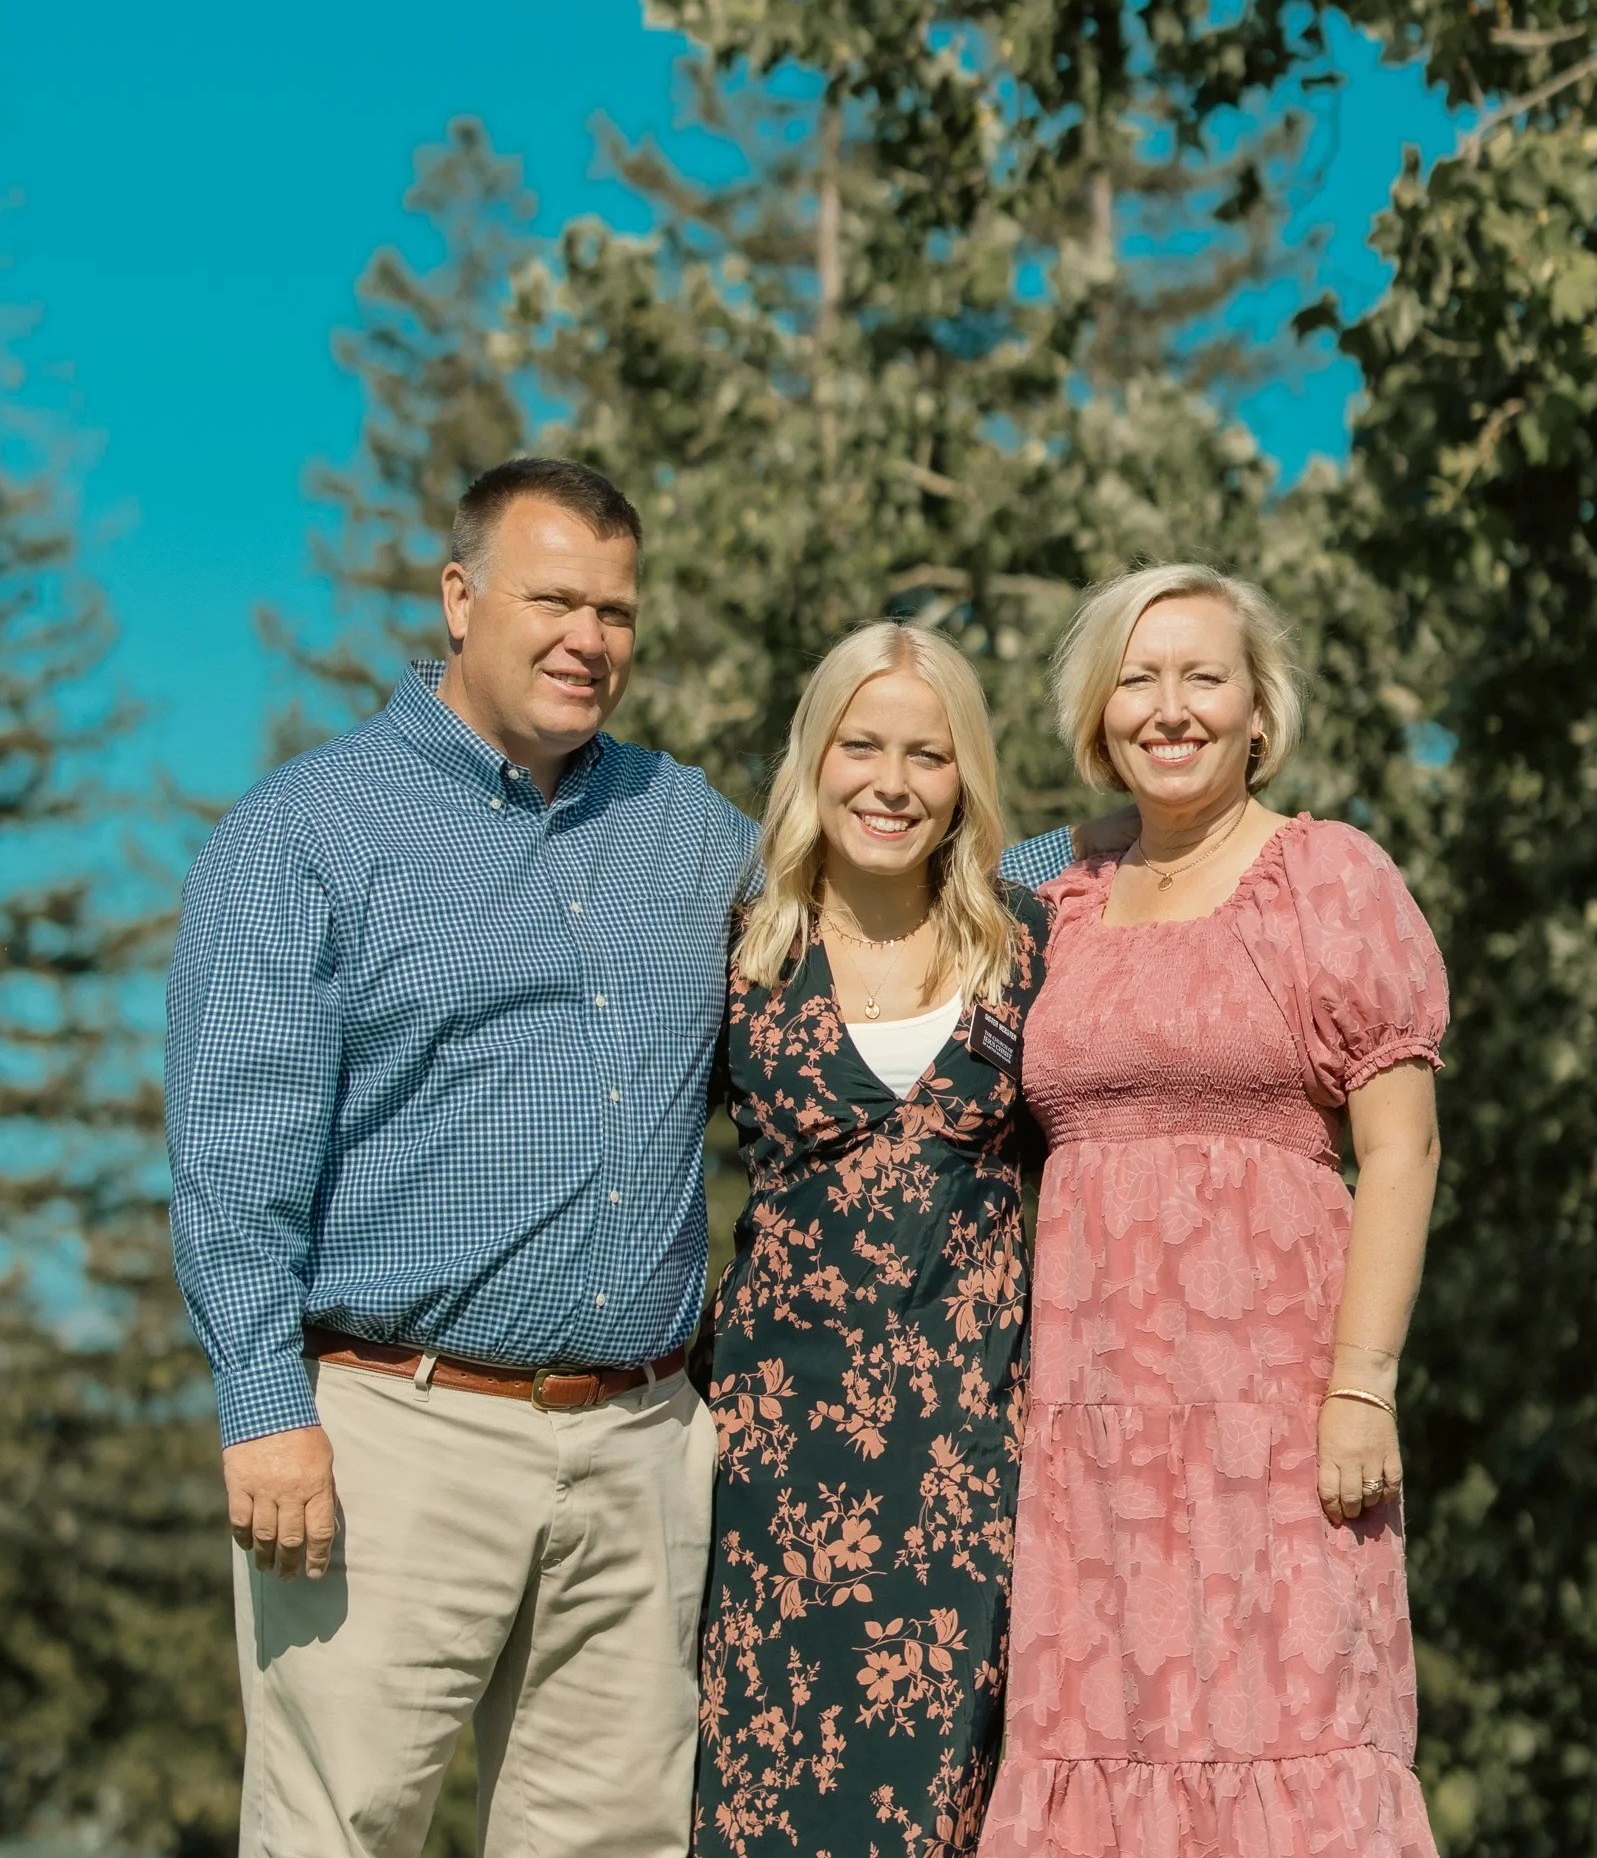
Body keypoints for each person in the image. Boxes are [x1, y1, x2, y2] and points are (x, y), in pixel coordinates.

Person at [166, 456, 1086, 1858]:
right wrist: (258, 1406)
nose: (587, 639)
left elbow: (879, 876)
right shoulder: (307, 835)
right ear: (458, 597)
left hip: (648, 1448)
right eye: (554, 599)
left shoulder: (687, 831)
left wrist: (1135, 853)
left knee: (615, 1840)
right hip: (395, 1436)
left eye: (616, 611)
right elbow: (235, 1158)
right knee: (339, 1828)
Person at [980, 565, 1447, 1858]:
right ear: (1096, 714)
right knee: (1100, 1733)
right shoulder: (1049, 888)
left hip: (1277, 1413)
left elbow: (1401, 1153)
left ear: (1257, 710)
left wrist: (1363, 1385)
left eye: (1202, 676)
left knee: (1295, 1719)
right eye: (1137, 677)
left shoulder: (1329, 879)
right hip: (1087, 1432)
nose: (1168, 707)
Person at [693, 625, 1049, 1858]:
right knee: (760, 1806)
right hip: (774, 1460)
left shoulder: (1033, 941)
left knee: (946, 1806)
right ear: (814, 753)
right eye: (861, 744)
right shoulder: (736, 945)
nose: (891, 782)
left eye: (928, 754)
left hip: (969, 1462)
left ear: (966, 779)